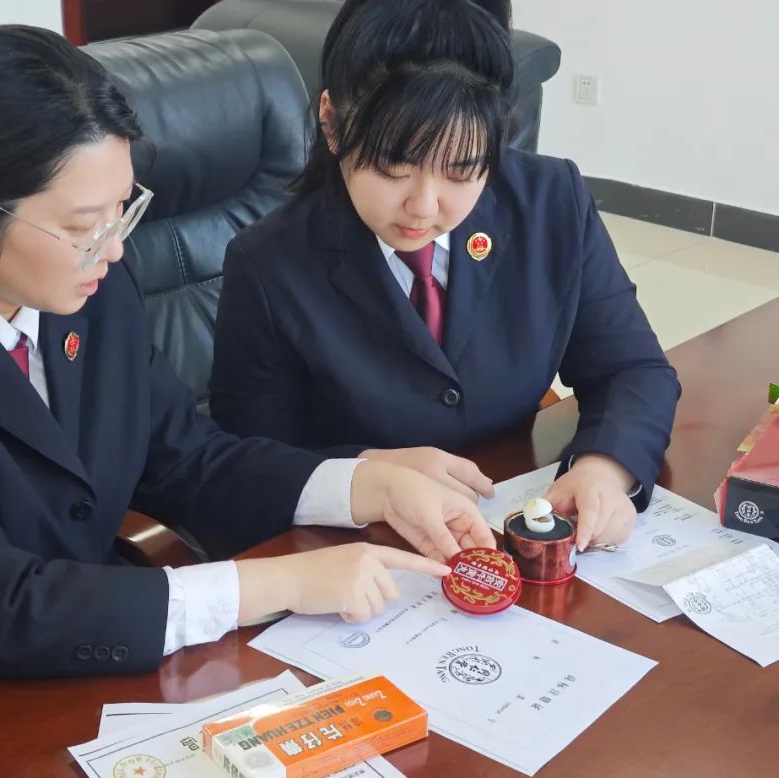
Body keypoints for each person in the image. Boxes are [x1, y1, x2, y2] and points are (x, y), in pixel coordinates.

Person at [0, 24, 494, 778]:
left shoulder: (89, 289)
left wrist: (368, 484)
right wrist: (274, 584)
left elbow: (186, 460)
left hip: (81, 679)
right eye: (84, 226)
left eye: (122, 210)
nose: (113, 247)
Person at [210, 0, 680, 552]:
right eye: (393, 168)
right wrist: (365, 471)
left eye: (461, 171)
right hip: (366, 546)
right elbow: (246, 460)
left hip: (509, 511)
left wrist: (605, 467)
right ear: (332, 124)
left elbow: (631, 368)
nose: (424, 206)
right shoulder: (269, 264)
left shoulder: (551, 202)